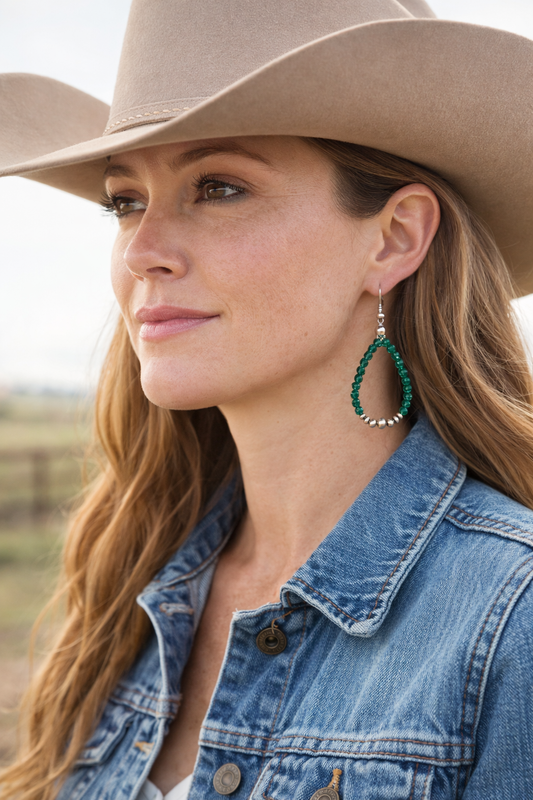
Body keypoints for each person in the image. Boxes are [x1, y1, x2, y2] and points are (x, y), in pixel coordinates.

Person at [1, 1, 533, 798]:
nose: (142, 250)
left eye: (217, 188)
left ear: (392, 239)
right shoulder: (135, 586)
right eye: (125, 200)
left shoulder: (509, 626)